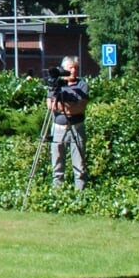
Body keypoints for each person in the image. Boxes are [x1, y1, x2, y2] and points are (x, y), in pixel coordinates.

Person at [47, 56, 89, 190]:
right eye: (70, 68)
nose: (73, 70)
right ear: (63, 70)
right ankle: (57, 192)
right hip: (58, 127)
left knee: (79, 163)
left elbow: (80, 108)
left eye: (76, 68)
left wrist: (62, 107)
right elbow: (50, 105)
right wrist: (69, 108)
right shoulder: (56, 84)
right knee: (57, 162)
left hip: (76, 127)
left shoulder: (82, 85)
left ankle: (80, 194)